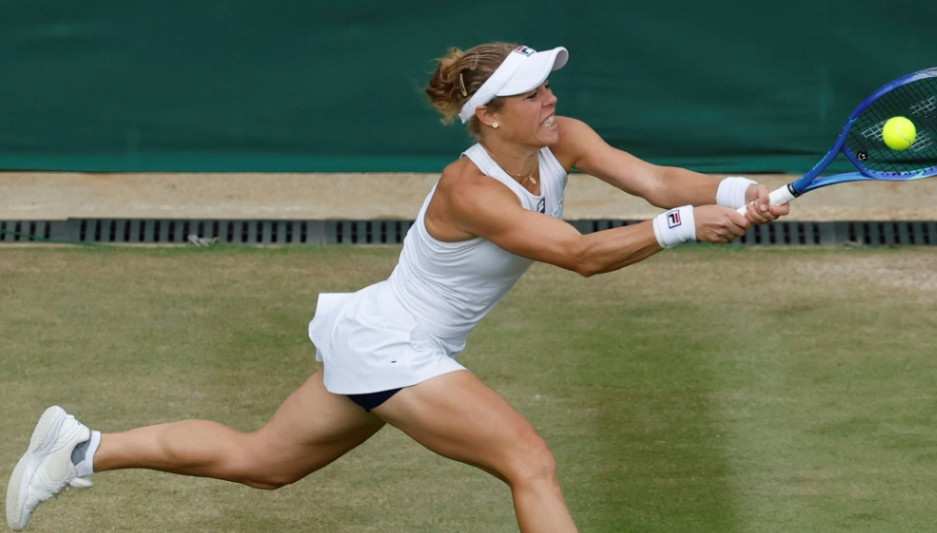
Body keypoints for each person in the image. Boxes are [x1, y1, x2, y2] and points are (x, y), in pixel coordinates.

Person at [5, 42, 788, 532]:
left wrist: (739, 192)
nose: (552, 97)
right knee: (530, 460)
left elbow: (657, 179)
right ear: (489, 119)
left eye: (549, 85)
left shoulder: (564, 138)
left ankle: (80, 446)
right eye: (534, 92)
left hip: (389, 335)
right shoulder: (470, 189)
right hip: (395, 344)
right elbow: (577, 256)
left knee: (264, 461)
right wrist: (684, 227)